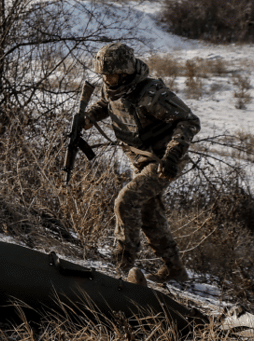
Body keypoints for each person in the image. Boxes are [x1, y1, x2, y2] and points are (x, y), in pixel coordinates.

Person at [83, 42, 200, 284]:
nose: (107, 79)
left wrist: (173, 154)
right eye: (104, 75)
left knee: (126, 202)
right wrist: (90, 117)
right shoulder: (114, 87)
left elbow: (188, 121)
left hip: (164, 160)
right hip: (141, 158)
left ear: (125, 73)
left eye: (112, 75)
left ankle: (122, 265)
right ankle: (175, 270)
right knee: (149, 213)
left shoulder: (152, 94)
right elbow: (106, 103)